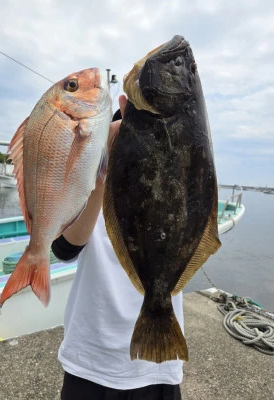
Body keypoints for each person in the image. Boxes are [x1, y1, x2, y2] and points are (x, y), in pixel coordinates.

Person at [51, 95, 184, 400]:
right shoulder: (88, 194)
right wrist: (101, 176)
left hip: (157, 363)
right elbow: (64, 250)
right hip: (90, 361)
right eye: (121, 139)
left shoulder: (172, 197)